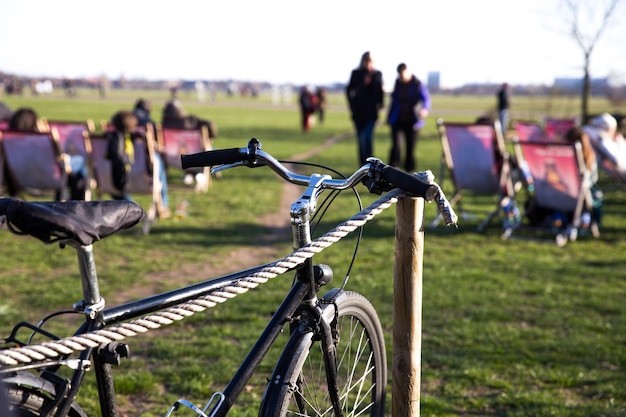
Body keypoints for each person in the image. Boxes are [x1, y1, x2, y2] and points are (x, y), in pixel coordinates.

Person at [7, 107, 87, 200]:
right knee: (79, 161)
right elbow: (58, 157)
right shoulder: (41, 141)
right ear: (34, 124)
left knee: (74, 170)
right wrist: (47, 135)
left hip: (19, 179)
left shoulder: (8, 142)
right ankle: (78, 202)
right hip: (48, 178)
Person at [386, 63, 431, 173]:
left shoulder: (417, 84)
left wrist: (424, 109)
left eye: (403, 75)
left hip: (412, 121)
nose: (401, 77)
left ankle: (409, 172)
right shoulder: (397, 84)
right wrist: (389, 117)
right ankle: (393, 171)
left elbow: (426, 99)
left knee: (410, 148)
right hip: (397, 120)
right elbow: (393, 102)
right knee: (396, 145)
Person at [346, 51, 384, 166]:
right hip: (358, 112)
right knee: (361, 140)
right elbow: (349, 90)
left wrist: (380, 104)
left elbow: (379, 91)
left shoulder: (377, 74)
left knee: (367, 138)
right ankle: (362, 165)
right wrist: (352, 105)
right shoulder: (356, 73)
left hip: (371, 113)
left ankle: (369, 165)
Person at [132, 99, 170, 214]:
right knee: (158, 162)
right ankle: (163, 205)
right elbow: (157, 145)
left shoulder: (123, 122)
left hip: (123, 164)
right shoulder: (148, 123)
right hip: (144, 162)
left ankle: (131, 208)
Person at [584, 112, 626, 176]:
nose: (613, 132)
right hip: (621, 169)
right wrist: (620, 143)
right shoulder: (601, 139)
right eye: (612, 130)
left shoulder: (591, 133)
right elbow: (617, 161)